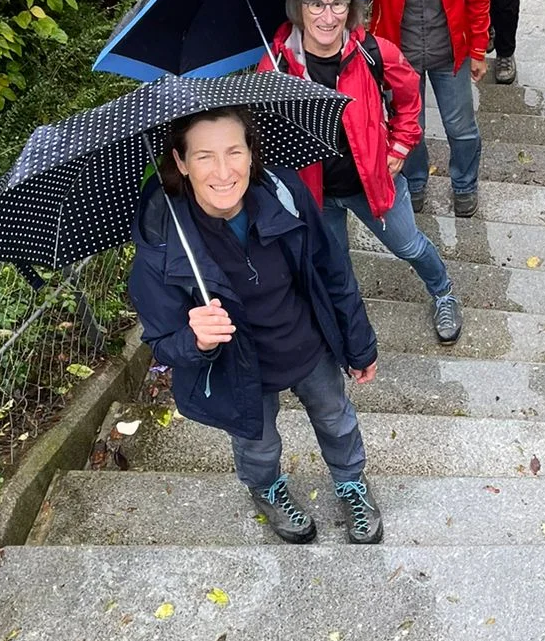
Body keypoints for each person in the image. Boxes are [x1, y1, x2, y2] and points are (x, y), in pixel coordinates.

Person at [129, 107, 385, 545]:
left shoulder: (284, 192)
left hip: (307, 345)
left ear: (252, 152)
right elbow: (163, 343)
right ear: (181, 162)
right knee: (258, 444)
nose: (223, 171)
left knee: (336, 419)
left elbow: (332, 270)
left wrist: (359, 344)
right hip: (239, 371)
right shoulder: (162, 241)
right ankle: (266, 490)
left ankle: (350, 482)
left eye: (234, 151)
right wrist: (196, 340)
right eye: (204, 156)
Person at [268, 0, 464, 346]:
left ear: (351, 6)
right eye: (316, 4)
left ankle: (443, 292)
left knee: (408, 245)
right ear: (298, 7)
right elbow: (265, 135)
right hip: (316, 193)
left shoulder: (374, 52)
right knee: (335, 262)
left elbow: (410, 99)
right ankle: (351, 327)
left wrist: (401, 144)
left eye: (337, 3)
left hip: (373, 180)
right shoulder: (276, 65)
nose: (328, 17)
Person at [363, 0, 490, 219]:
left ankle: (464, 184)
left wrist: (478, 49)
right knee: (408, 126)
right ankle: (415, 181)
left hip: (450, 53)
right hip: (397, 58)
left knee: (461, 128)